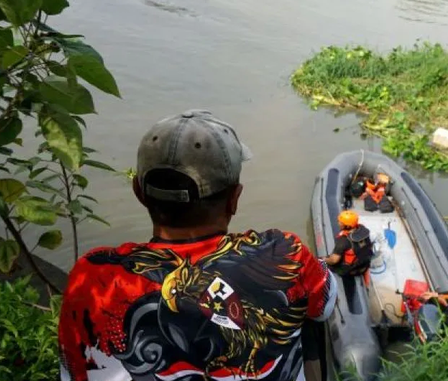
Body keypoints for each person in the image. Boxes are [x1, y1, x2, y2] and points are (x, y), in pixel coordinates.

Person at [57, 110, 338, 381]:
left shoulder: (93, 278)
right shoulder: (284, 252)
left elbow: (73, 371)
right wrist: (325, 263)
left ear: (139, 193)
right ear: (234, 199)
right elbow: (324, 305)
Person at [323, 210, 374, 279]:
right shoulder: (363, 231)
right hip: (364, 266)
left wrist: (324, 259)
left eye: (340, 222)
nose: (338, 223)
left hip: (351, 270)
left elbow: (334, 260)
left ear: (346, 226)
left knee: (322, 262)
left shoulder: (343, 240)